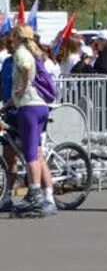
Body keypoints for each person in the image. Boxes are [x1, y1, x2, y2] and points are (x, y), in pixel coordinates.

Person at [6, 24, 57, 216]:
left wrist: (23, 87)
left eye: (12, 36)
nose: (10, 40)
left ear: (17, 37)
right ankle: (48, 197)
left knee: (30, 155)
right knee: (37, 153)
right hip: (38, 106)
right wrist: (10, 102)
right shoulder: (31, 52)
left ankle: (34, 193)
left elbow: (26, 70)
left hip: (29, 108)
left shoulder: (20, 52)